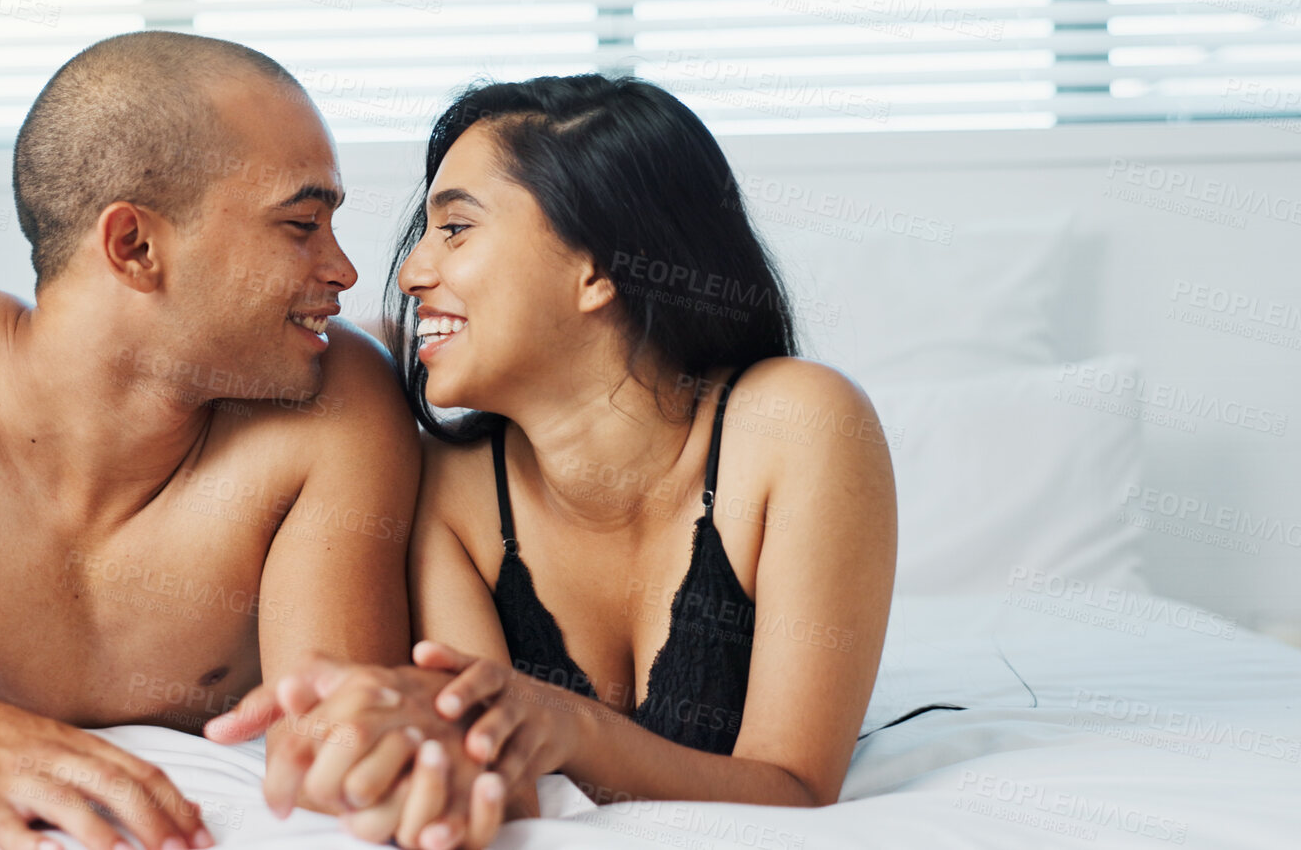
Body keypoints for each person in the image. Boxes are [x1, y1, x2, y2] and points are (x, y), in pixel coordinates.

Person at [0, 31, 478, 850]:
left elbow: (327, 739)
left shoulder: (338, 395)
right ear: (134, 247)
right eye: (300, 225)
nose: (348, 270)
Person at [207, 74, 898, 850]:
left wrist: (562, 722)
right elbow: (494, 766)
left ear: (597, 268)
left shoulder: (796, 423)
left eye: (457, 228)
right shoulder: (449, 489)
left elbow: (797, 787)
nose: (409, 271)